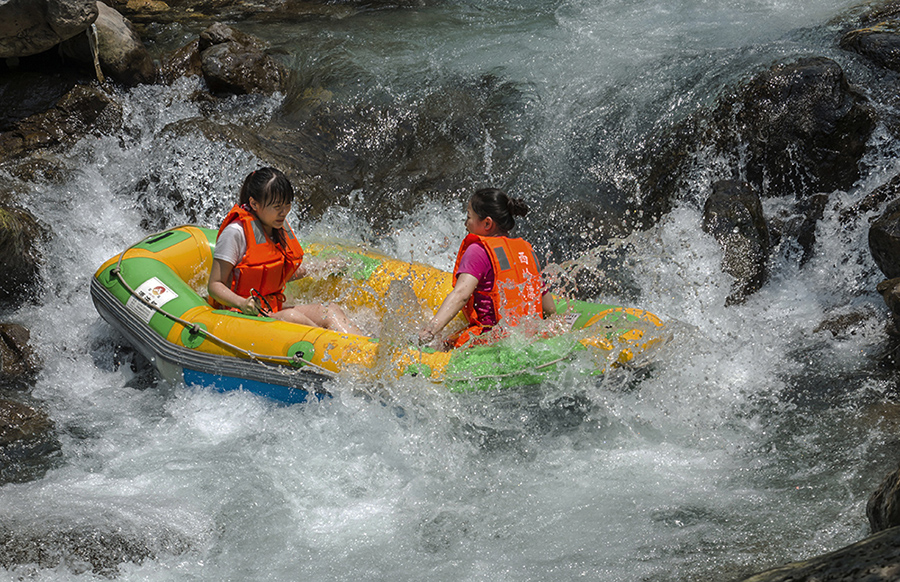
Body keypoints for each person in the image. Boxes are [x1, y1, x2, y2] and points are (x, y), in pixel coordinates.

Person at [208, 167, 362, 335]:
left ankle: (364, 348)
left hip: (269, 311)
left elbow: (276, 273)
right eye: (277, 206)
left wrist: (323, 266)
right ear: (254, 204)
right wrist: (242, 303)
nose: (284, 212)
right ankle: (336, 347)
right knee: (291, 316)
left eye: (287, 204)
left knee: (329, 310)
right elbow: (215, 285)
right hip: (240, 315)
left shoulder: (276, 229)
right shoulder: (235, 233)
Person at [418, 188, 556, 348]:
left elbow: (461, 295)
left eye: (468, 217)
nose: (465, 223)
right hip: (527, 336)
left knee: (442, 346)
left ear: (487, 223)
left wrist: (430, 330)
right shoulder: (525, 250)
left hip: (491, 341)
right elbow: (547, 305)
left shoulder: (478, 250)